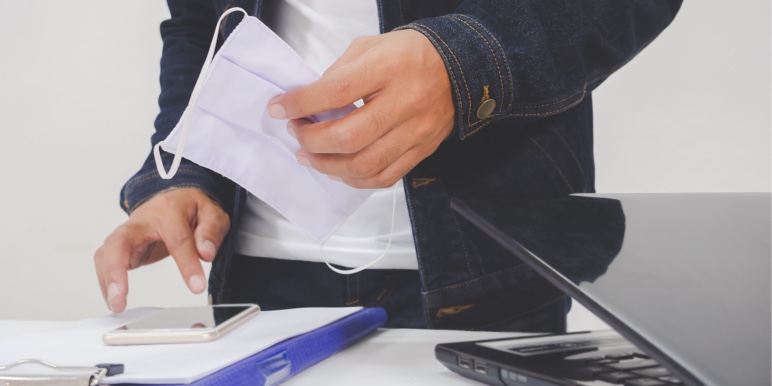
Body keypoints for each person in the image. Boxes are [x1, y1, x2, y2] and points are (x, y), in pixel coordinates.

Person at [94, 0, 681, 331]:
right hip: (256, 277)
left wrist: (466, 64)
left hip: (484, 260)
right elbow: (202, 20)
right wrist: (185, 169)